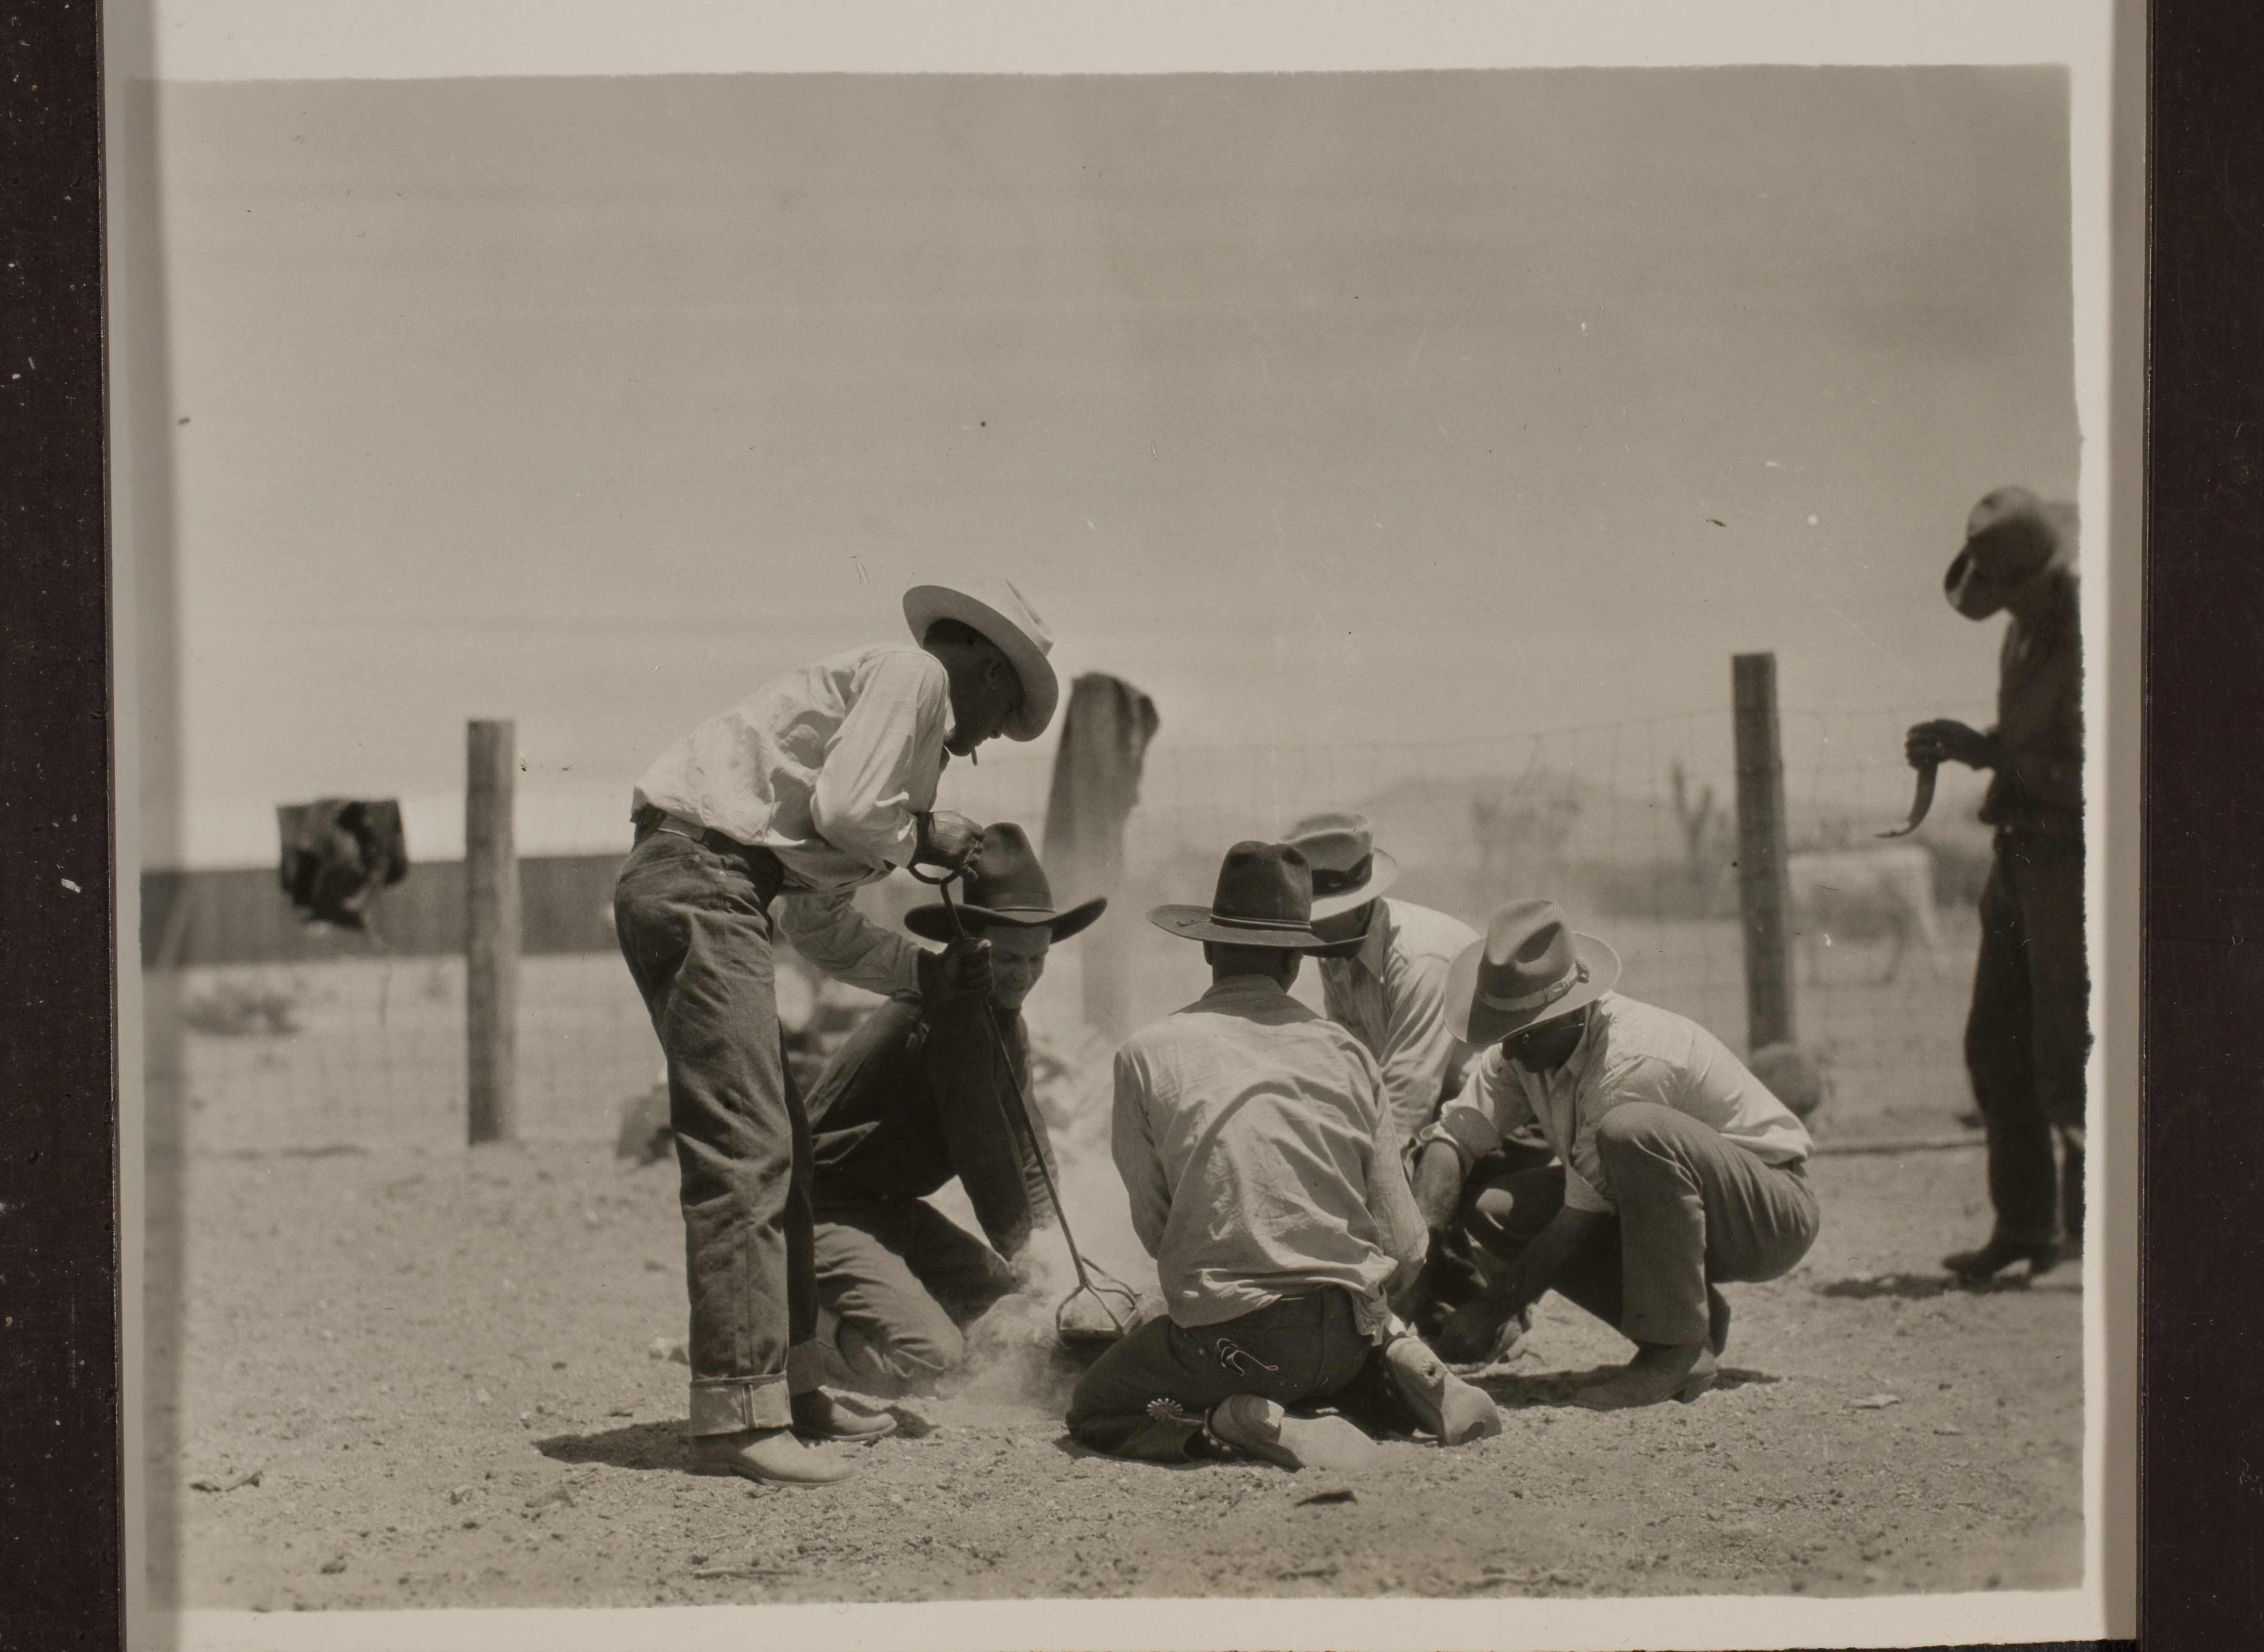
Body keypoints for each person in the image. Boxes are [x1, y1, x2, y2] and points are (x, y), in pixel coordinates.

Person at [613, 577, 1056, 1486]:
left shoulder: (882, 724)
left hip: (722, 886)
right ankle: (736, 1416)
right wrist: (926, 833)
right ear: (979, 661)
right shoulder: (914, 677)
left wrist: (923, 971)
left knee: (787, 1146)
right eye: (1001, 708)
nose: (975, 744)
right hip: (702, 883)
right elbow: (855, 816)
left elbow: (818, 922)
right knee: (748, 1146)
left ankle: (797, 1389)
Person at [1065, 841, 1502, 1469]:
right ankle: (1404, 1361)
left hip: (1240, 1346)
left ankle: (1241, 1420)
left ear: (1210, 947)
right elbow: (1406, 1241)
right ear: (1297, 960)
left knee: (1097, 1407)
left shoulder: (1145, 1053)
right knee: (1339, 1326)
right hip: (1348, 1337)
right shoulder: (1347, 1053)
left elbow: (1159, 1232)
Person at [1411, 899, 1819, 1410]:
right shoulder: (1529, 1045)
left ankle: (1675, 1351)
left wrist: (1489, 1311)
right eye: (1505, 1034)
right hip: (1686, 1214)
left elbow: (1581, 1217)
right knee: (1495, 1209)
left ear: (1574, 1011)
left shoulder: (1631, 1058)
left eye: (1524, 1036)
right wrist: (1418, 1245)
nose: (1510, 1052)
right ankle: (1697, 1320)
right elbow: (1456, 1136)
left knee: (1632, 1133)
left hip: (1768, 1213)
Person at [802, 823, 1104, 1393]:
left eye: (1037, 961)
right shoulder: (951, 1009)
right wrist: (1030, 1253)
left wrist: (1054, 1256)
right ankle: (788, 1333)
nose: (1024, 977)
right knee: (933, 1361)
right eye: (1009, 960)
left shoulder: (1004, 1020)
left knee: (1011, 1313)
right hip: (822, 1210)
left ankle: (875, 1303)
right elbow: (986, 1154)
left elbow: (1030, 1146)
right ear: (970, 946)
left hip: (894, 1212)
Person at [1906, 487, 2087, 1281]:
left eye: (2007, 591)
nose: (2002, 607)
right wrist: (1968, 743)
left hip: (2080, 865)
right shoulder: (2023, 636)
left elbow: (2119, 771)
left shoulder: (2106, 631)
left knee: (2073, 1051)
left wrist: (1993, 761)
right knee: (1995, 1044)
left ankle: (2098, 1232)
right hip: (2019, 860)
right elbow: (2027, 744)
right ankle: (2026, 1224)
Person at [1286, 811, 1553, 1340]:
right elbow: (1355, 1069)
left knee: (1410, 1190)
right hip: (1442, 1105)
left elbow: (1405, 1107)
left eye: (1323, 913)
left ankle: (1453, 1313)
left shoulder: (1418, 958)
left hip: (1512, 1113)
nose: (1310, 929)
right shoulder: (1337, 947)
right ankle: (1444, 1304)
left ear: (1361, 902)